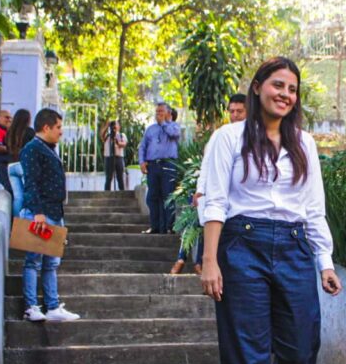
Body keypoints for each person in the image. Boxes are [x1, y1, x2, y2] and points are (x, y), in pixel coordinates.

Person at [199, 57, 343, 364]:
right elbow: (215, 201)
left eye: (292, 89)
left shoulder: (304, 144)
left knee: (301, 349)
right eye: (278, 85)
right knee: (249, 350)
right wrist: (210, 260)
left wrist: (324, 261)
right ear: (258, 86)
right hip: (242, 246)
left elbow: (314, 208)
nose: (285, 94)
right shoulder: (228, 138)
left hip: (295, 247)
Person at [170, 94, 248, 274]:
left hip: (242, 202)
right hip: (217, 194)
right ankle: (194, 261)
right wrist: (200, 190)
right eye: (232, 111)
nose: (235, 115)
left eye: (239, 111)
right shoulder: (221, 134)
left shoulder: (258, 136)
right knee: (205, 224)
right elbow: (207, 163)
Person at [20, 107, 81, 322]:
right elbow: (31, 182)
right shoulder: (32, 149)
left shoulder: (48, 148)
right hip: (41, 213)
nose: (61, 131)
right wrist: (38, 212)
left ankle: (52, 306)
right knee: (33, 260)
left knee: (51, 263)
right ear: (46, 127)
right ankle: (31, 307)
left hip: (54, 212)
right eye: (58, 127)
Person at [138, 102, 181, 233]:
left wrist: (163, 123)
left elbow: (174, 135)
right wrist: (142, 161)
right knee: (152, 196)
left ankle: (169, 227)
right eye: (157, 112)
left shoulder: (174, 126)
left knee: (168, 195)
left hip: (168, 164)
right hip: (152, 165)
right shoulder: (150, 129)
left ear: (168, 113)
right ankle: (155, 226)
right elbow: (143, 146)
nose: (158, 114)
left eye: (161, 111)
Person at [5, 109, 35, 216]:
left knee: (18, 197)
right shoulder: (30, 132)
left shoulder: (9, 133)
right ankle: (25, 222)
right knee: (29, 195)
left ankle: (16, 222)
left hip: (11, 166)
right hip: (23, 165)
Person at [101, 119, 128, 191]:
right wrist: (107, 126)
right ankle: (107, 194)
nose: (114, 126)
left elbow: (124, 144)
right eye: (113, 124)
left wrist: (117, 142)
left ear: (119, 126)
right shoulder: (108, 136)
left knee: (120, 178)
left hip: (119, 158)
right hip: (109, 158)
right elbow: (102, 136)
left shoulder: (121, 135)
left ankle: (122, 194)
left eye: (116, 124)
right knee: (108, 178)